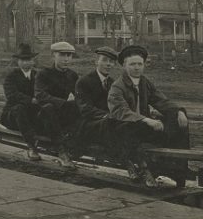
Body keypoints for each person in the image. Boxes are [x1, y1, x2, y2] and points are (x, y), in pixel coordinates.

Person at [108, 44, 191, 187]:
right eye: (132, 64)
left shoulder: (145, 83)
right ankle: (154, 170)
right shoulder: (117, 86)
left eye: (140, 64)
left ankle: (180, 171)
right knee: (129, 128)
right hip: (127, 126)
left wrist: (179, 111)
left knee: (179, 123)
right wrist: (146, 120)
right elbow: (120, 111)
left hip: (144, 127)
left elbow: (161, 100)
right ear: (124, 65)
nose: (136, 67)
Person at [73, 46, 128, 171]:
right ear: (96, 62)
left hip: (109, 122)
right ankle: (127, 164)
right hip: (88, 123)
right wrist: (107, 115)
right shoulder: (84, 81)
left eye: (111, 61)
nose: (108, 64)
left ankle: (133, 162)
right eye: (104, 60)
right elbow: (85, 108)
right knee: (112, 124)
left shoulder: (113, 83)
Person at [34, 41, 81, 169]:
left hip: (62, 118)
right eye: (62, 55)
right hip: (43, 118)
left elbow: (79, 95)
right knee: (48, 108)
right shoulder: (43, 74)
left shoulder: (72, 75)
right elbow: (40, 95)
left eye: (69, 55)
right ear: (53, 56)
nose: (66, 59)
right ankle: (62, 151)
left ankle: (75, 144)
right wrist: (63, 103)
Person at [0, 43, 44, 161]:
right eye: (22, 60)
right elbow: (12, 95)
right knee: (19, 108)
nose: (25, 63)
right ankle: (32, 147)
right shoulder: (11, 76)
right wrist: (31, 100)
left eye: (28, 60)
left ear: (33, 61)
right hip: (12, 116)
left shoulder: (38, 75)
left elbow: (43, 91)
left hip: (30, 116)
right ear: (18, 62)